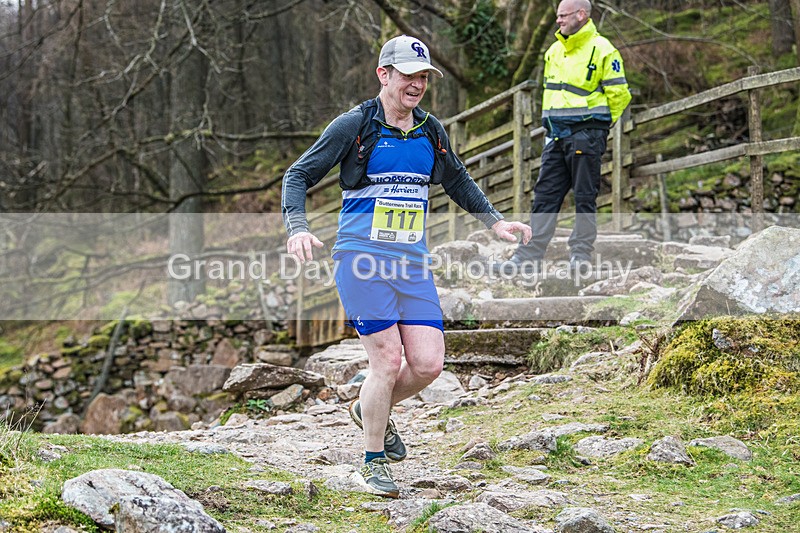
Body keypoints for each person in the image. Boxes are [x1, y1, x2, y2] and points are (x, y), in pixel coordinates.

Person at [282, 34, 531, 498]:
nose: (416, 85)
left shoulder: (431, 130)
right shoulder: (355, 125)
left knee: (429, 363)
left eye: (423, 78)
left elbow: (457, 178)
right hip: (361, 259)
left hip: (412, 263)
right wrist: (297, 226)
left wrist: (494, 222)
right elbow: (297, 174)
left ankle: (367, 407)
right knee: (387, 359)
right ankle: (372, 460)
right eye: (408, 76)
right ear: (384, 75)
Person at [496, 0, 631, 275]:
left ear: (581, 15)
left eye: (562, 15)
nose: (557, 21)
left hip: (586, 135)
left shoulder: (603, 49)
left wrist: (598, 128)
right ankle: (527, 258)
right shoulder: (554, 51)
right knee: (544, 197)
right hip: (555, 137)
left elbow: (620, 96)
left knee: (584, 197)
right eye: (557, 16)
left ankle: (580, 257)